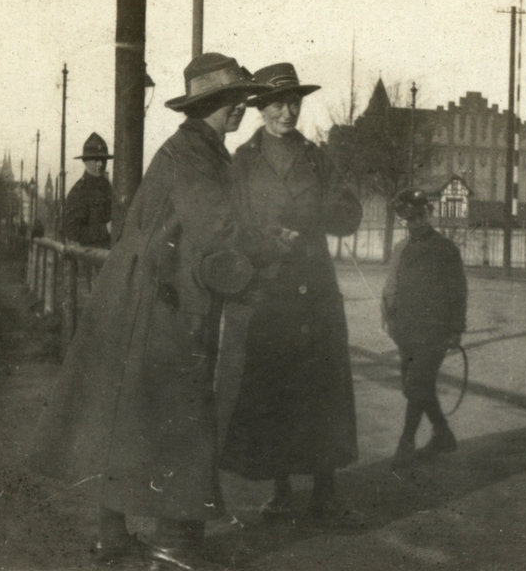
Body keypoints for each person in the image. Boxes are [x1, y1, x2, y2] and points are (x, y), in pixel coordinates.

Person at [29, 53, 293, 571]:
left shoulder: (192, 148)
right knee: (180, 415)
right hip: (162, 303)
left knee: (124, 415)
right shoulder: (196, 153)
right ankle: (174, 543)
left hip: (139, 297)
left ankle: (112, 536)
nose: (242, 108)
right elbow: (216, 230)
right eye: (236, 99)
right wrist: (271, 245)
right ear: (218, 105)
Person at [219, 62, 363, 523]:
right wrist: (267, 237)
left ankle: (325, 489)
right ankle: (281, 490)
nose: (288, 111)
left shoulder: (318, 157)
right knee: (275, 391)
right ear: (260, 107)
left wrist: (311, 217)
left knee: (321, 391)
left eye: (294, 101)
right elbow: (230, 226)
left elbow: (349, 212)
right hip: (268, 294)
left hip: (315, 291)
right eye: (278, 102)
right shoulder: (242, 161)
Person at [381, 187, 467, 470]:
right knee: (416, 387)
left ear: (429, 214)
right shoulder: (401, 250)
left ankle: (405, 445)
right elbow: (391, 288)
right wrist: (389, 318)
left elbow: (458, 291)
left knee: (417, 384)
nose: (416, 222)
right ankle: (443, 434)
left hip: (435, 332)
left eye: (421, 215)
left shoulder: (446, 249)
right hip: (406, 331)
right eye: (411, 218)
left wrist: (456, 329)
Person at [63, 133, 114, 247]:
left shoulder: (109, 188)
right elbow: (73, 232)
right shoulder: (78, 192)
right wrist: (105, 229)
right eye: (96, 160)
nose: (100, 164)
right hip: (88, 259)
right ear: (85, 161)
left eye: (103, 160)